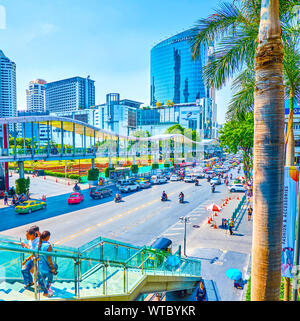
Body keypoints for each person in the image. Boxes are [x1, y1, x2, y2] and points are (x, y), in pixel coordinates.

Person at [37, 230, 57, 297]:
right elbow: (49, 258)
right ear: (48, 236)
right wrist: (52, 267)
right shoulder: (48, 246)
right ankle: (47, 291)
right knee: (50, 278)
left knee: (43, 276)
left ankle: (39, 284)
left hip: (40, 266)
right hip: (47, 267)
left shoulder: (39, 245)